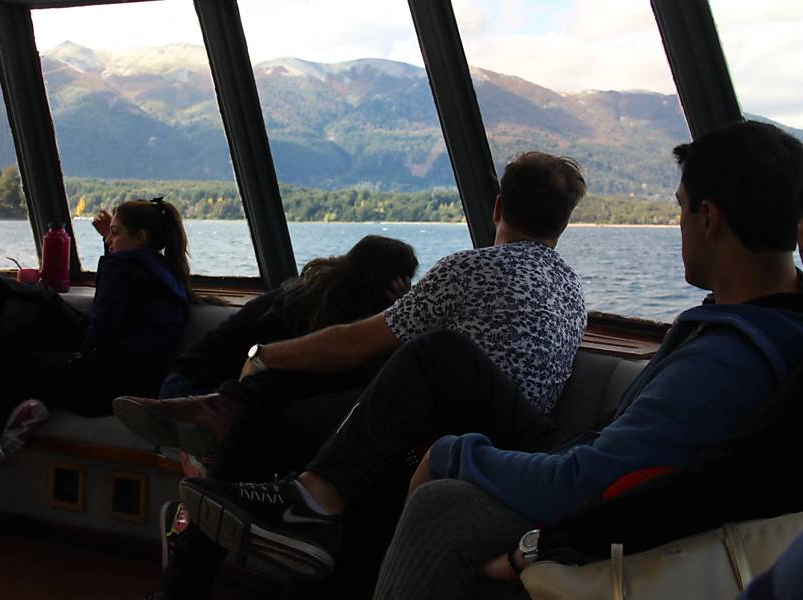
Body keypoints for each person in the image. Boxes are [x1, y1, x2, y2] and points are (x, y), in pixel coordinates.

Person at [370, 120, 803, 600]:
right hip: (600, 470)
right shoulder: (766, 322)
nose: (680, 224)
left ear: (709, 219)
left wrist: (452, 453)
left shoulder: (727, 361)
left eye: (681, 208)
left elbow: (587, 483)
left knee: (443, 505)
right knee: (445, 359)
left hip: (609, 524)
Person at [169, 151, 589, 596]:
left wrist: (264, 354)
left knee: (260, 425)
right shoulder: (572, 293)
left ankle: (189, 578)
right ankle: (230, 422)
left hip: (430, 442)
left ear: (498, 207)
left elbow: (354, 346)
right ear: (561, 224)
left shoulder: (472, 268)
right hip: (503, 450)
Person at [0, 197, 192, 500]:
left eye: (115, 233)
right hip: (141, 387)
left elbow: (103, 324)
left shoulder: (122, 266)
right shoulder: (170, 276)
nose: (110, 240)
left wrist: (80, 357)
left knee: (12, 361)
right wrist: (109, 244)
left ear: (141, 237)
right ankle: (26, 417)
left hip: (103, 390)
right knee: (41, 368)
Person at [115, 235, 418, 459]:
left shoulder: (310, 296)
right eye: (405, 282)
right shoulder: (320, 319)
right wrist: (405, 313)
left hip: (194, 383)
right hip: (193, 392)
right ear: (387, 287)